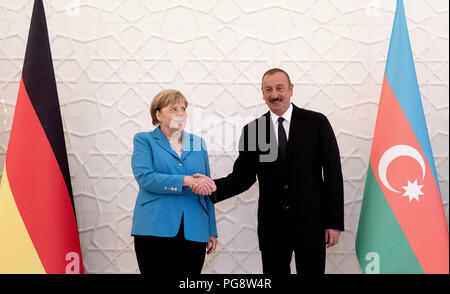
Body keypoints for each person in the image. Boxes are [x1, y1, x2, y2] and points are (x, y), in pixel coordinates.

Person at [192, 68, 344, 274]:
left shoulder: (317, 123)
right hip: (273, 228)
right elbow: (242, 178)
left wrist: (334, 223)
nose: (274, 95)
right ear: (263, 94)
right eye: (268, 90)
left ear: (291, 90)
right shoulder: (254, 130)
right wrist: (210, 186)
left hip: (312, 224)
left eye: (280, 88)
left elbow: (333, 175)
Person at [131, 89, 218, 275]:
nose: (180, 113)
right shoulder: (144, 140)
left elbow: (206, 188)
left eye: (183, 108)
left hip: (195, 229)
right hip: (154, 228)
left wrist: (211, 229)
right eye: (173, 109)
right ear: (158, 114)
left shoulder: (198, 143)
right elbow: (146, 178)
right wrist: (185, 180)